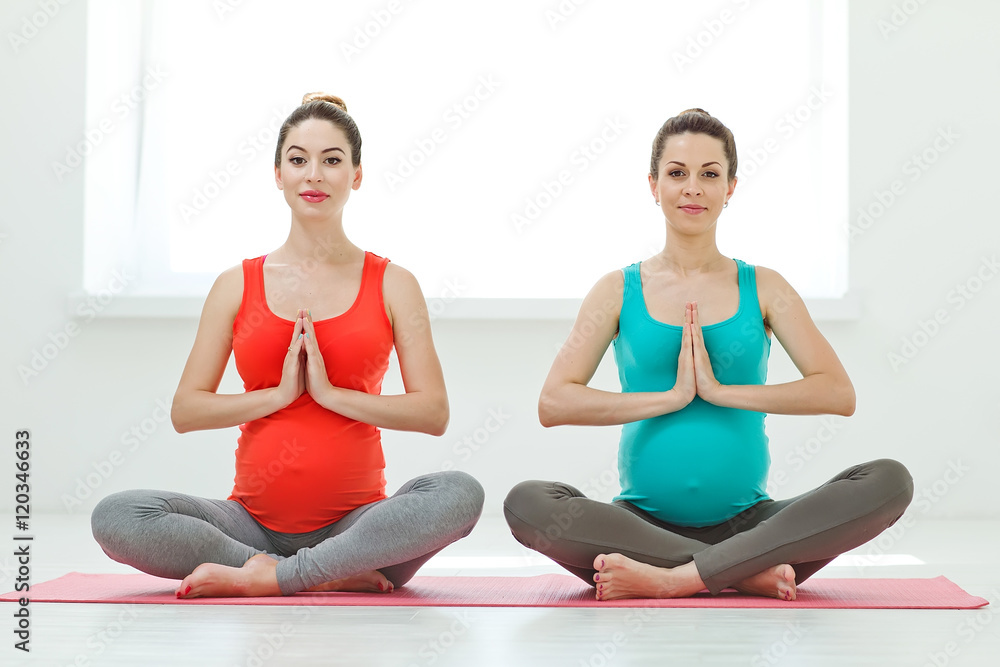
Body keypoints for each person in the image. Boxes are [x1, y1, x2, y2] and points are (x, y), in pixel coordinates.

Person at [503, 108, 913, 602]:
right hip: (639, 530)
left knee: (889, 481)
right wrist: (671, 398)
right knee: (527, 503)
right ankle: (738, 573)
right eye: (677, 173)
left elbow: (837, 393)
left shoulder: (766, 287)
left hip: (756, 528)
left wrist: (719, 392)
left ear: (731, 187)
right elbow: (554, 403)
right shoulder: (616, 290)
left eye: (710, 174)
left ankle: (676, 577)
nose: (692, 188)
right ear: (653, 185)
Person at [92, 92, 484, 598]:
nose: (313, 175)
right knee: (118, 515)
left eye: (332, 161)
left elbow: (433, 413)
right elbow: (186, 411)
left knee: (458, 493)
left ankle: (274, 576)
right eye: (298, 160)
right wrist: (277, 396)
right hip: (248, 528)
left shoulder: (393, 283)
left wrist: (331, 395)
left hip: (359, 531)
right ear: (278, 174)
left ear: (357, 175)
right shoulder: (236, 285)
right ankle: (307, 573)